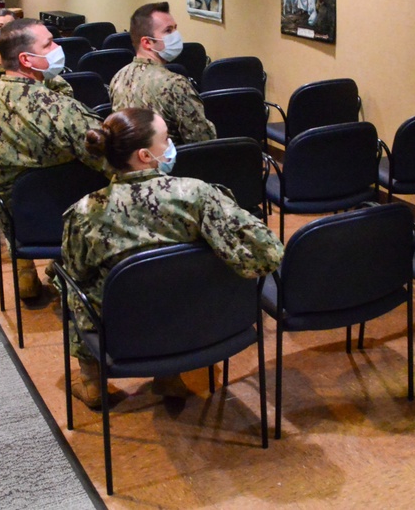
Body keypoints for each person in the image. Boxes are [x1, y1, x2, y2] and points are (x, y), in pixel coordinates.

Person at [61, 108, 284, 409]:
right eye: (166, 139)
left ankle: (91, 382)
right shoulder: (196, 195)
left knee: (70, 284)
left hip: (125, 335)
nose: (171, 145)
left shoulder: (84, 213)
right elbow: (267, 253)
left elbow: (76, 271)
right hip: (202, 323)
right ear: (144, 155)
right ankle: (169, 376)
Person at [0, 17, 105, 300]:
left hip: (15, 220)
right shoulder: (62, 109)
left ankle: (32, 271)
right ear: (27, 59)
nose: (56, 48)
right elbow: (111, 160)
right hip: (70, 219)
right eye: (49, 43)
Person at [109, 2, 216, 144]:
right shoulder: (174, 84)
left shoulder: (118, 78)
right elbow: (203, 140)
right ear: (147, 42)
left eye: (175, 29)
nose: (176, 36)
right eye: (168, 31)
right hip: (172, 164)